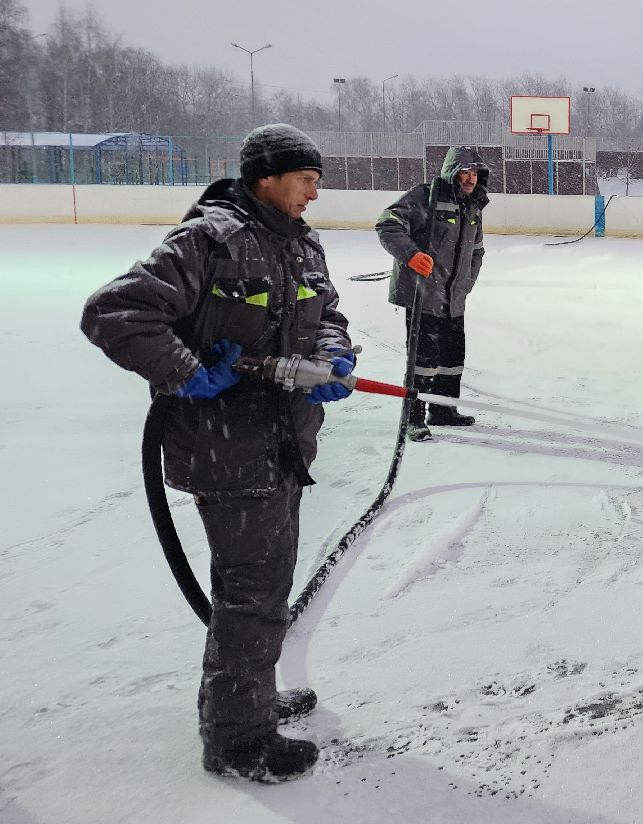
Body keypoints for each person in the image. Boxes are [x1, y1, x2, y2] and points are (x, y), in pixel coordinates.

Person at [80, 123, 353, 783]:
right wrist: (187, 369)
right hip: (226, 445)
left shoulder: (301, 246)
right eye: (306, 179)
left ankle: (247, 700)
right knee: (251, 593)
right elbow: (113, 313)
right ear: (267, 176)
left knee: (266, 586)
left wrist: (335, 356)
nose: (315, 193)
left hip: (285, 444)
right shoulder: (206, 242)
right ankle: (237, 742)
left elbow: (331, 314)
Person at [375, 145, 489, 441]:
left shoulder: (473, 207)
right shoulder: (424, 197)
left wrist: (465, 285)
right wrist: (410, 255)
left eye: (475, 173)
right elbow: (388, 224)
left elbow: (477, 251)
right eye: (465, 172)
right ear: (452, 172)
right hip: (423, 297)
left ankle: (443, 411)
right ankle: (412, 418)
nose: (471, 178)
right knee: (424, 361)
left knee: (453, 360)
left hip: (454, 299)